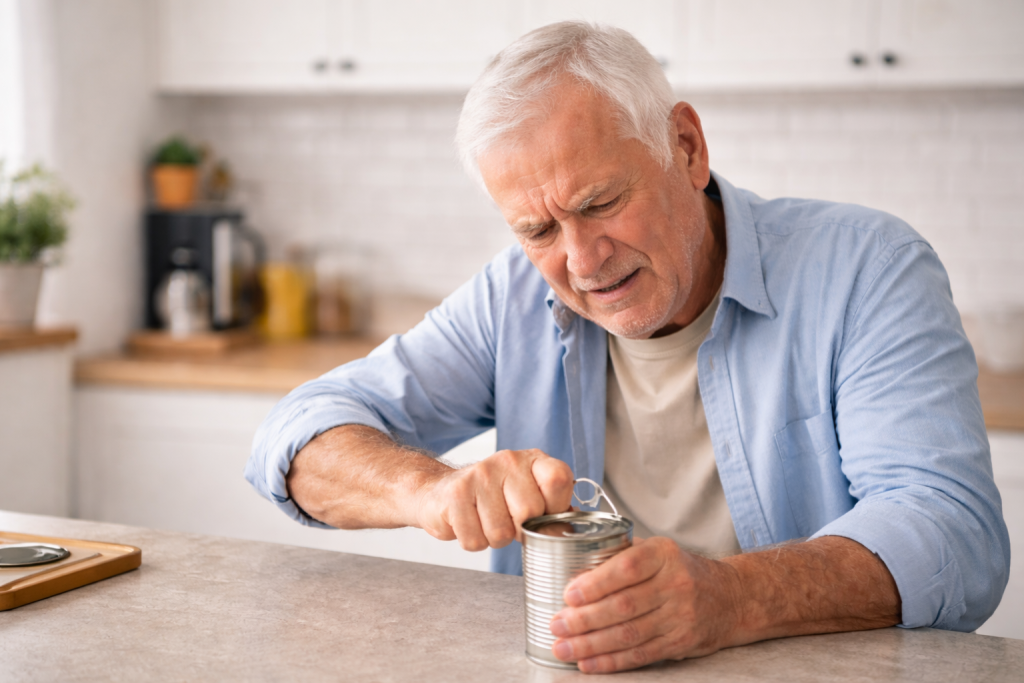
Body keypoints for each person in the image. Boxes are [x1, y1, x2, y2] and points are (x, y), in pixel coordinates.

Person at [245, 22, 1009, 674]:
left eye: (600, 203)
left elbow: (953, 534)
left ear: (686, 147)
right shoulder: (514, 297)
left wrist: (728, 597)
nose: (580, 260)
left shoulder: (867, 268)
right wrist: (430, 491)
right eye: (537, 230)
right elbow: (296, 433)